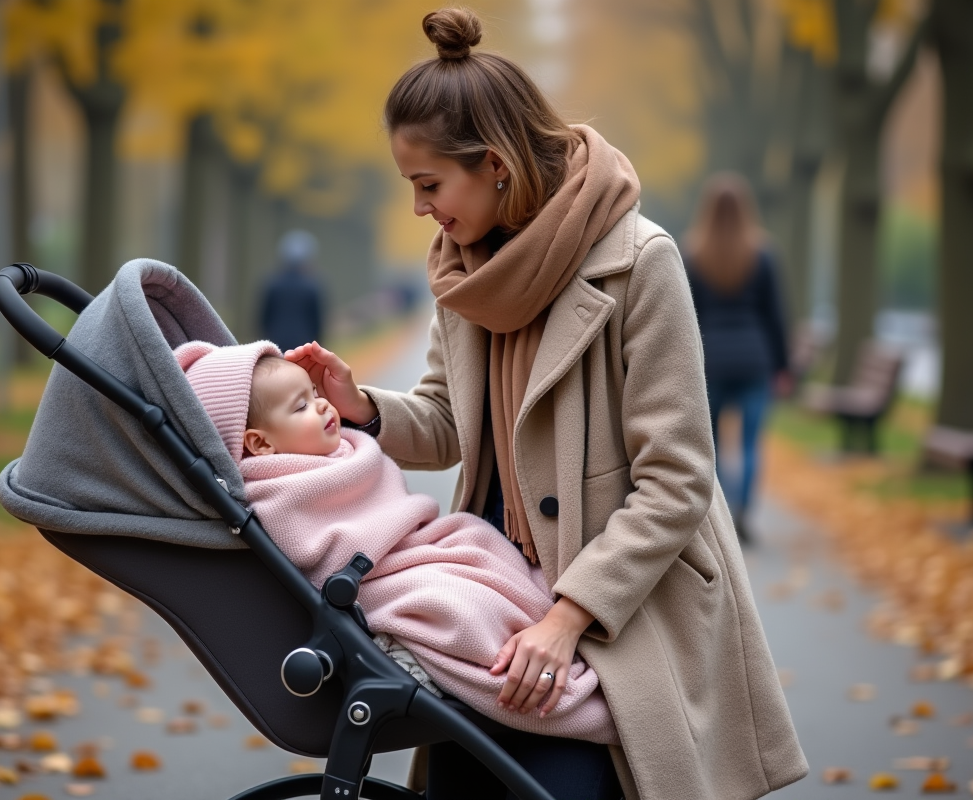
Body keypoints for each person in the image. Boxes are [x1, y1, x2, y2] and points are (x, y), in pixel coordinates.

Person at [286, 9, 807, 800]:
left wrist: (568, 618)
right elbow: (448, 422)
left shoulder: (641, 263)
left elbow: (678, 481)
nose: (421, 209)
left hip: (616, 605)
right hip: (491, 606)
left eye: (429, 185)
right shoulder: (465, 272)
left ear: (494, 164)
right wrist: (359, 406)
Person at [172, 339, 618, 743]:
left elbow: (389, 506)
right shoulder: (275, 489)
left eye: (317, 395)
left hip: (417, 549)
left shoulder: (336, 451)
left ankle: (541, 634)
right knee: (460, 609)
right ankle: (530, 672)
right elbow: (318, 547)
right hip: (380, 577)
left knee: (480, 543)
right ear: (259, 444)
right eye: (302, 406)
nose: (325, 408)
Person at [683, 173, 791, 544]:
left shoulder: (692, 255)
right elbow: (776, 316)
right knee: (748, 444)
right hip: (753, 358)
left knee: (708, 445)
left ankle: (721, 518)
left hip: (709, 362)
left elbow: (684, 315)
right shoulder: (762, 255)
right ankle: (743, 510)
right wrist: (783, 366)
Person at [258, 229, 325, 351]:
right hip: (304, 347)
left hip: (275, 344)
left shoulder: (272, 284)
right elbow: (317, 322)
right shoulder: (312, 286)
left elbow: (263, 318)